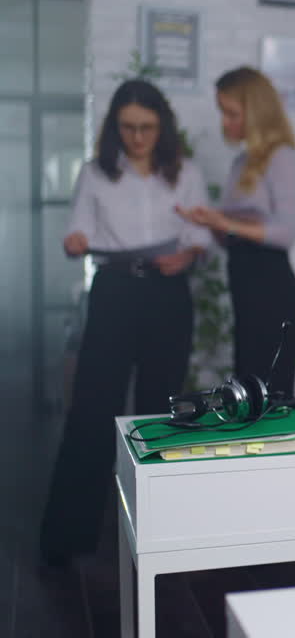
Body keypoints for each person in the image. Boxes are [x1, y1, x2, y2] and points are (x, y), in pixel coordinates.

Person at [41, 79, 212, 565]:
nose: (138, 137)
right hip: (114, 291)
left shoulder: (187, 173)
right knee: (93, 409)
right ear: (116, 128)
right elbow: (79, 229)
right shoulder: (96, 173)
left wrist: (190, 253)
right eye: (128, 128)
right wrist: (74, 240)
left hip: (167, 294)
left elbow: (198, 233)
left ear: (163, 128)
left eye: (147, 128)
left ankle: (161, 535)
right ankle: (67, 539)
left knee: (163, 411)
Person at [177, 67, 295, 398]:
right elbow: (233, 236)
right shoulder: (241, 164)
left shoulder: (283, 158)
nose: (225, 122)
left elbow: (285, 233)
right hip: (245, 292)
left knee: (269, 398)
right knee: (247, 396)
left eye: (231, 113)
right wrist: (209, 221)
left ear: (256, 110)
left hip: (273, 293)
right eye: (223, 112)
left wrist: (225, 223)